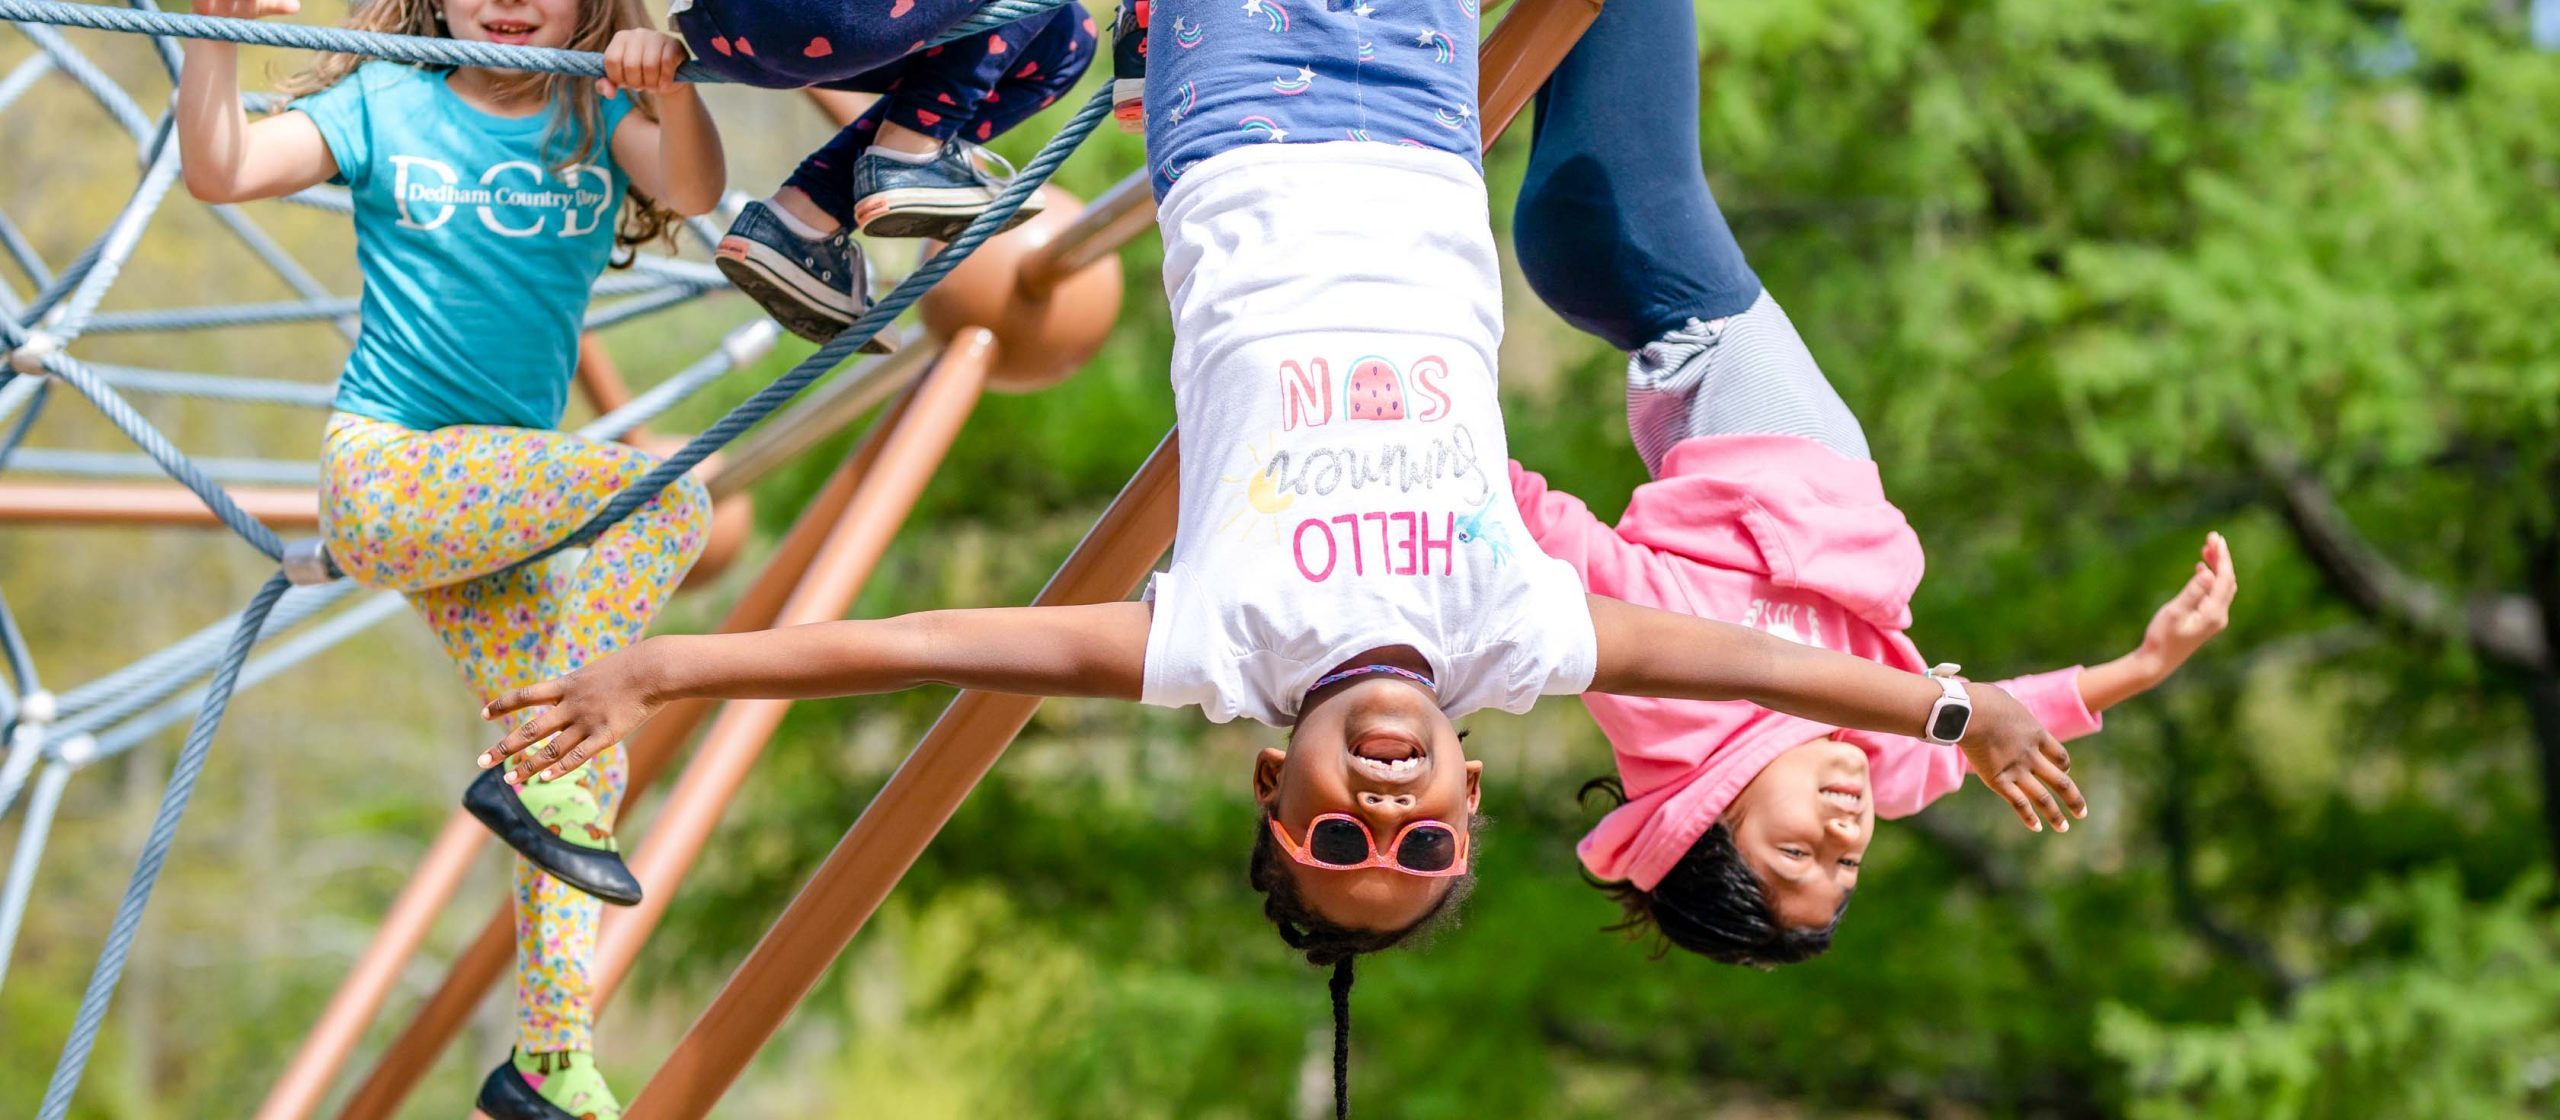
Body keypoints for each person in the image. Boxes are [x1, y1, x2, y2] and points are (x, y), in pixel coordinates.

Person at [482, 0, 2079, 1112]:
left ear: (1275, 793)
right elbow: (1745, 664)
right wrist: (1951, 711)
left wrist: (668, 664)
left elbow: (916, 643)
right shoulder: (1511, 636)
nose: (1385, 819)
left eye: (1341, 847)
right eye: (1425, 855)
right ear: (1466, 801)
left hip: (1243, 106)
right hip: (1419, 112)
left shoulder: (1217, 646)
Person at [1505, 0, 2237, 967]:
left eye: (1797, 849)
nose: (1844, 829)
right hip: (1641, 240)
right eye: (1846, 865)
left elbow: (1537, 529)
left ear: (1705, 819)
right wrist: (2138, 668)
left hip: (1649, 263)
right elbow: (1993, 718)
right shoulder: (1879, 742)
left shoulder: (1676, 695)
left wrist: (1424, 436)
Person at [176, 0, 722, 1114]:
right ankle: (545, 810)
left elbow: (697, 189)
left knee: (571, 746)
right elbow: (223, 169)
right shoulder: (391, 97)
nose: (506, 6)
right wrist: (213, 38)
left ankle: (548, 1063)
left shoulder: (593, 104)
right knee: (669, 498)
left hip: (498, 508)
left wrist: (669, 79)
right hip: (388, 476)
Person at [677, 0, 1095, 342]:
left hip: (721, 37)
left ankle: (806, 214)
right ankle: (912, 152)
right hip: (810, 16)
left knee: (1062, 36)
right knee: (1067, 30)